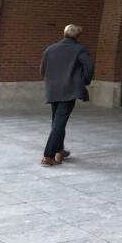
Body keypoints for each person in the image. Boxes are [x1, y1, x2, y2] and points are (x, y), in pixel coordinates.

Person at [39, 24, 94, 166]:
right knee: (59, 121)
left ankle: (59, 149)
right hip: (69, 90)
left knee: (56, 120)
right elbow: (89, 66)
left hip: (53, 89)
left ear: (64, 34)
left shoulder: (50, 49)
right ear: (78, 36)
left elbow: (42, 70)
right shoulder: (79, 49)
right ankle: (48, 156)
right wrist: (85, 80)